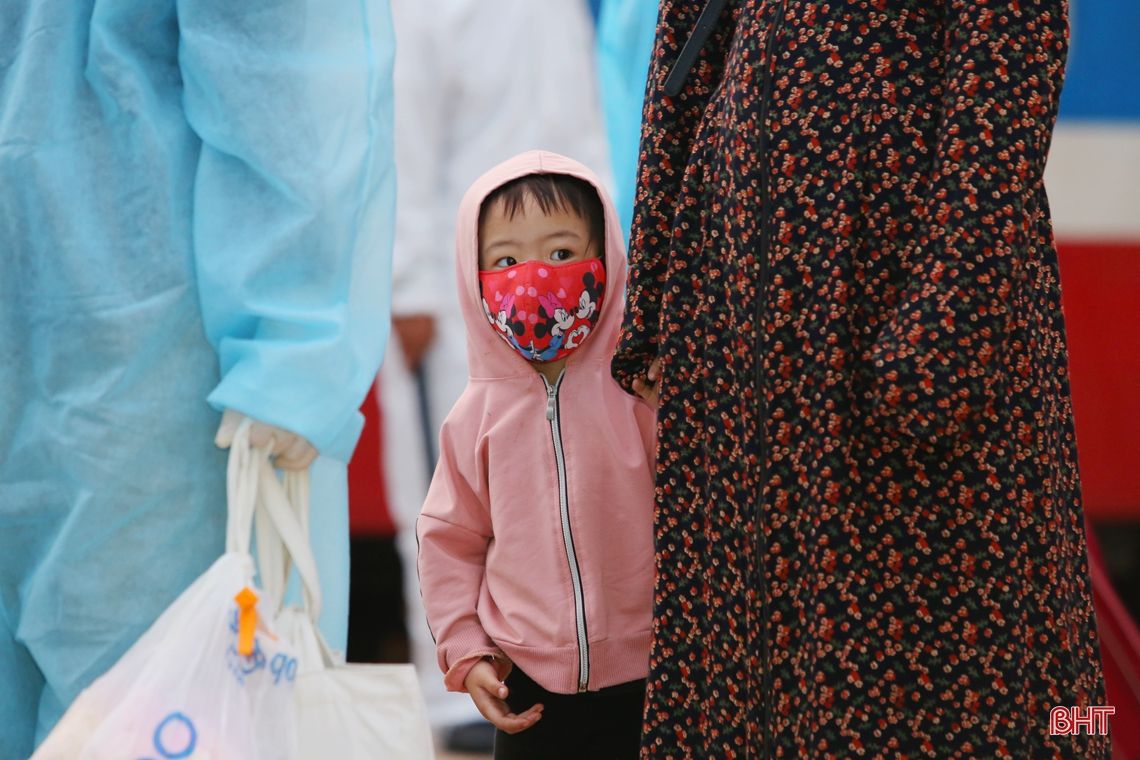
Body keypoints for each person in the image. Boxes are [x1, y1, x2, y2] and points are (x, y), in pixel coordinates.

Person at [614, 1, 1110, 757]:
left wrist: (943, 328)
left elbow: (1009, 53)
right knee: (757, 673)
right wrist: (650, 301)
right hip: (745, 308)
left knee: (963, 670)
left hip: (907, 302)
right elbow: (686, 41)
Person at [0, 2, 395, 756]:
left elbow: (288, 64)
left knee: (159, 713)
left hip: (160, 393)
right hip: (107, 371)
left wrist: (289, 353)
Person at [382, 0, 611, 745]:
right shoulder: (421, 11)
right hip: (469, 297)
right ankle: (450, 680)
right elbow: (404, 140)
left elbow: (588, 129)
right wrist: (411, 282)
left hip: (570, 290)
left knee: (562, 493)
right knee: (454, 498)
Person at [416, 151, 655, 760]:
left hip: (656, 675)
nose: (534, 277)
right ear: (474, 276)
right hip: (529, 688)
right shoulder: (474, 419)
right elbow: (450, 540)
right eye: (505, 260)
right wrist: (466, 650)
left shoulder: (640, 390)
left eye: (560, 253)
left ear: (606, 257)